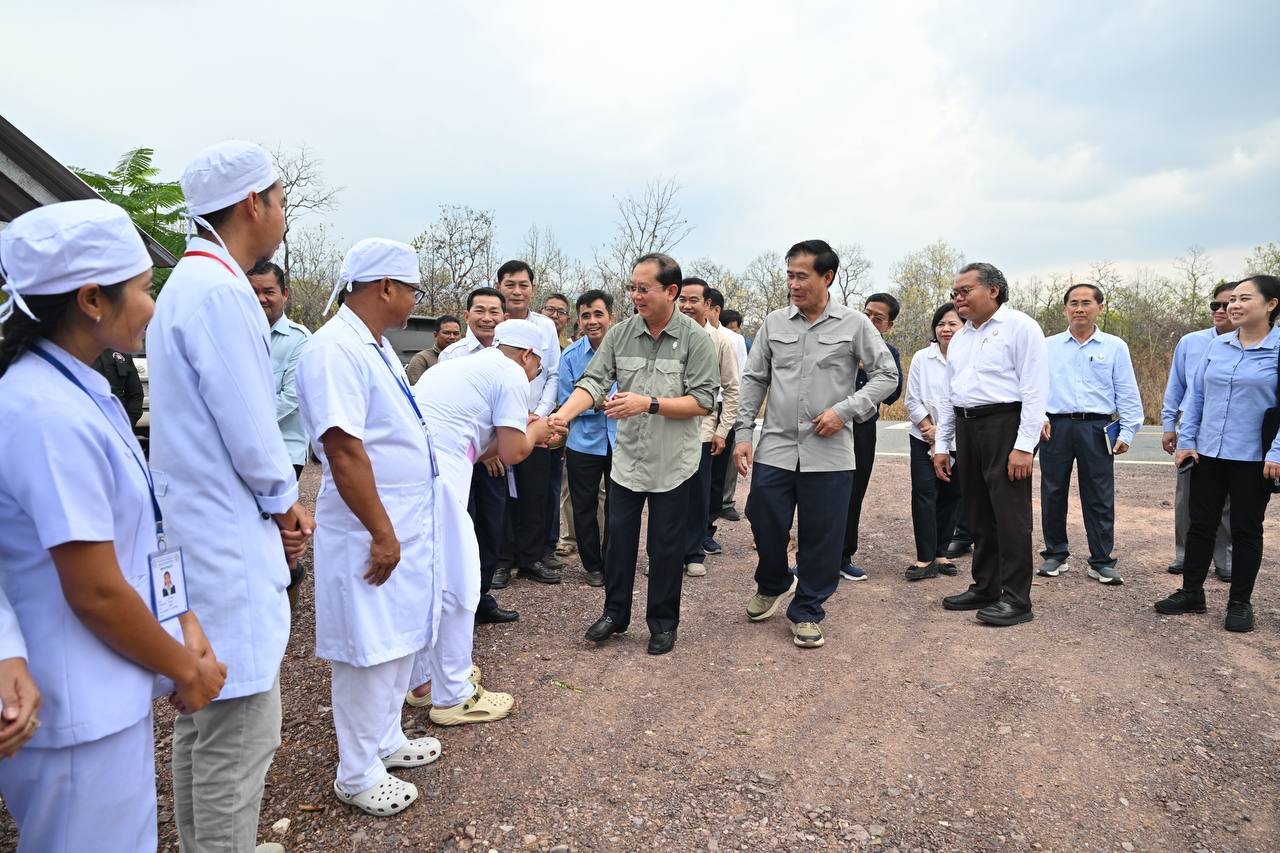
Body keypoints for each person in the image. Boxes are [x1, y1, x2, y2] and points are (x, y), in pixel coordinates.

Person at [0, 199, 227, 852]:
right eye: (144, 288)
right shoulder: (43, 411)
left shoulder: (84, 389)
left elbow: (141, 534)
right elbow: (95, 590)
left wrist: (184, 621)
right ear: (92, 300)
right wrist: (185, 668)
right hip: (76, 707)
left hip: (108, 692)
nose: (152, 306)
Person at [147, 140, 313, 853]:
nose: (283, 214)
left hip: (197, 532)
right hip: (225, 542)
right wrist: (287, 503)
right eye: (281, 199)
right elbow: (252, 428)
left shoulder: (191, 283)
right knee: (238, 734)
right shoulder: (222, 292)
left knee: (204, 720)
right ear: (253, 203)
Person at [296, 238, 443, 816]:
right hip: (368, 524)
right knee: (366, 648)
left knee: (397, 637)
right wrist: (382, 532)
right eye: (411, 290)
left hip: (397, 518)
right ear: (385, 287)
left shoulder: (374, 345)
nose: (414, 301)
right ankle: (355, 773)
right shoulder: (334, 348)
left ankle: (385, 739)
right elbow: (342, 448)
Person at [551, 253, 718, 655]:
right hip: (627, 460)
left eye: (644, 288)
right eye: (632, 288)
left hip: (673, 464)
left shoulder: (695, 339)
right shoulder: (621, 334)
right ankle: (615, 614)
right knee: (618, 543)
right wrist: (561, 417)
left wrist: (649, 403)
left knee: (665, 548)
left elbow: (702, 401)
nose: (636, 296)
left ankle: (662, 623)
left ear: (671, 291)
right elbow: (593, 382)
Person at [734, 240, 898, 649]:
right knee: (763, 517)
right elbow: (754, 379)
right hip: (776, 445)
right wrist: (742, 434)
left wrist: (845, 411)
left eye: (802, 276)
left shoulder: (854, 324)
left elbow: (887, 375)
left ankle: (807, 609)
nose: (793, 284)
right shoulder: (774, 323)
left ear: (827, 277)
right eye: (789, 275)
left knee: (822, 534)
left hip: (830, 450)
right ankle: (774, 581)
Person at [405, 319, 560, 723]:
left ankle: (423, 680)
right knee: (459, 583)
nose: (535, 374)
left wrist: (527, 430)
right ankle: (453, 694)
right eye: (538, 366)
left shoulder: (458, 367)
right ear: (528, 354)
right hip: (438, 481)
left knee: (427, 580)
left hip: (411, 476)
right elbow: (512, 453)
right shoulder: (511, 373)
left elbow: (478, 445)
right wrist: (539, 430)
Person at [1156, 275, 1280, 633]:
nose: (1234, 306)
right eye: (1232, 300)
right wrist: (1187, 441)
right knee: (1200, 524)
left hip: (1254, 457)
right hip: (1208, 452)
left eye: (1244, 299)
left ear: (1271, 305)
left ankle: (1239, 602)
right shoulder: (1217, 346)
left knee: (1245, 530)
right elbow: (1196, 396)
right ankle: (1191, 593)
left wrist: (1276, 452)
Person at [933, 263, 1048, 627]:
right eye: (955, 293)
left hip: (1005, 425)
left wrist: (1024, 446)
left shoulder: (1021, 327)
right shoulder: (961, 337)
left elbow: (1035, 389)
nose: (958, 298)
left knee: (1010, 517)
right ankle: (985, 587)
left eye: (965, 291)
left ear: (993, 290)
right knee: (978, 513)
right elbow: (949, 395)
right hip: (967, 426)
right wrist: (942, 445)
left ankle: (1016, 599)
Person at [1036, 283, 1144, 585]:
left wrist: (1128, 430)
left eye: (1086, 303)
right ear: (1065, 308)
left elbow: (1126, 390)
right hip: (1055, 426)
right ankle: (1055, 554)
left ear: (1100, 307)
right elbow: (1034, 386)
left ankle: (1101, 560)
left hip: (1097, 427)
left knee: (1099, 494)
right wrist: (1038, 416)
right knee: (1053, 491)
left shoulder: (1114, 346)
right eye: (1073, 303)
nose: (1079, 309)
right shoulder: (1047, 346)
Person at [438, 287, 519, 623]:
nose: (487, 318)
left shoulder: (511, 354)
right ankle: (456, 601)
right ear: (467, 315)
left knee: (490, 525)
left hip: (496, 460)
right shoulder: (453, 355)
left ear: (505, 318)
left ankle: (481, 595)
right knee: (460, 526)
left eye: (494, 312)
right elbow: (448, 411)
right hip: (462, 459)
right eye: (480, 310)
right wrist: (486, 452)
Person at [1161, 281, 1238, 580]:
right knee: (1188, 496)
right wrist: (1169, 425)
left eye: (1227, 305)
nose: (1220, 310)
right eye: (1215, 305)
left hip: (1232, 430)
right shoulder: (1191, 342)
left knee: (1228, 498)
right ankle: (1185, 554)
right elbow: (1177, 386)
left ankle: (1224, 558)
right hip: (1193, 427)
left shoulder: (1255, 343)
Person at [249, 259, 313, 611]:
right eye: (253, 291)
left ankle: (287, 587)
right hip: (244, 449)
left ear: (284, 294)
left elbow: (291, 397)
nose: (261, 299)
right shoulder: (238, 332)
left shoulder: (299, 340)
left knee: (280, 527)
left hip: (283, 450)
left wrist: (245, 422)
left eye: (268, 291)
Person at [494, 261, 562, 584]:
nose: (517, 291)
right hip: (498, 423)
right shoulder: (493, 320)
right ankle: (501, 560)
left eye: (523, 285)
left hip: (536, 422)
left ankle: (531, 558)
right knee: (499, 495)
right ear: (499, 287)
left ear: (533, 288)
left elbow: (553, 375)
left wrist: (541, 414)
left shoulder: (545, 326)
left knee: (535, 493)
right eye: (510, 284)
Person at [677, 278, 740, 576]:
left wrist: (722, 431)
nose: (687, 306)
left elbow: (732, 389)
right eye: (682, 299)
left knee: (697, 492)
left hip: (702, 428)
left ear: (707, 304)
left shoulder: (721, 341)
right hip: (666, 426)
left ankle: (693, 552)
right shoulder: (667, 335)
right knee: (667, 494)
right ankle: (664, 554)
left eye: (694, 300)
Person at [840, 292, 904, 580]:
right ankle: (810, 558)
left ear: (888, 325)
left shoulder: (888, 352)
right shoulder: (841, 342)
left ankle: (843, 556)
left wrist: (872, 368)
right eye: (866, 314)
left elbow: (893, 393)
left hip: (863, 429)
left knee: (854, 492)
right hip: (829, 425)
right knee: (818, 490)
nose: (869, 321)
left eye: (878, 318)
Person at [558, 290, 617, 587]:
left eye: (598, 314)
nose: (592, 321)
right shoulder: (570, 357)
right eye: (585, 316)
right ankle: (592, 565)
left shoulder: (624, 351)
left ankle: (615, 560)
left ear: (611, 317)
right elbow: (565, 401)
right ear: (579, 321)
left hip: (621, 441)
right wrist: (597, 403)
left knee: (619, 506)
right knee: (584, 506)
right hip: (583, 443)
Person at [904, 303, 965, 580]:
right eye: (941, 324)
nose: (946, 329)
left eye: (953, 323)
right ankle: (924, 557)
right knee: (924, 493)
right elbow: (912, 400)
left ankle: (941, 554)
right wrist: (930, 431)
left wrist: (944, 434)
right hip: (922, 436)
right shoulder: (922, 357)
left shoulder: (971, 357)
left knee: (951, 495)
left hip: (959, 439)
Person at [716, 307, 750, 521]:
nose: (734, 332)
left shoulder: (738, 341)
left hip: (728, 403)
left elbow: (743, 375)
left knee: (728, 459)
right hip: (703, 404)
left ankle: (726, 502)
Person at [91, 348, 144, 427]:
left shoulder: (122, 353)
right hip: (89, 421)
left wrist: (129, 422)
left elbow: (136, 394)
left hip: (118, 422)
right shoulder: (79, 353)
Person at [405, 315, 462, 384]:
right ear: (435, 335)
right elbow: (415, 387)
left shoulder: (464, 357)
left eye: (456, 333)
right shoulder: (421, 359)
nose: (452, 337)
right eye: (447, 333)